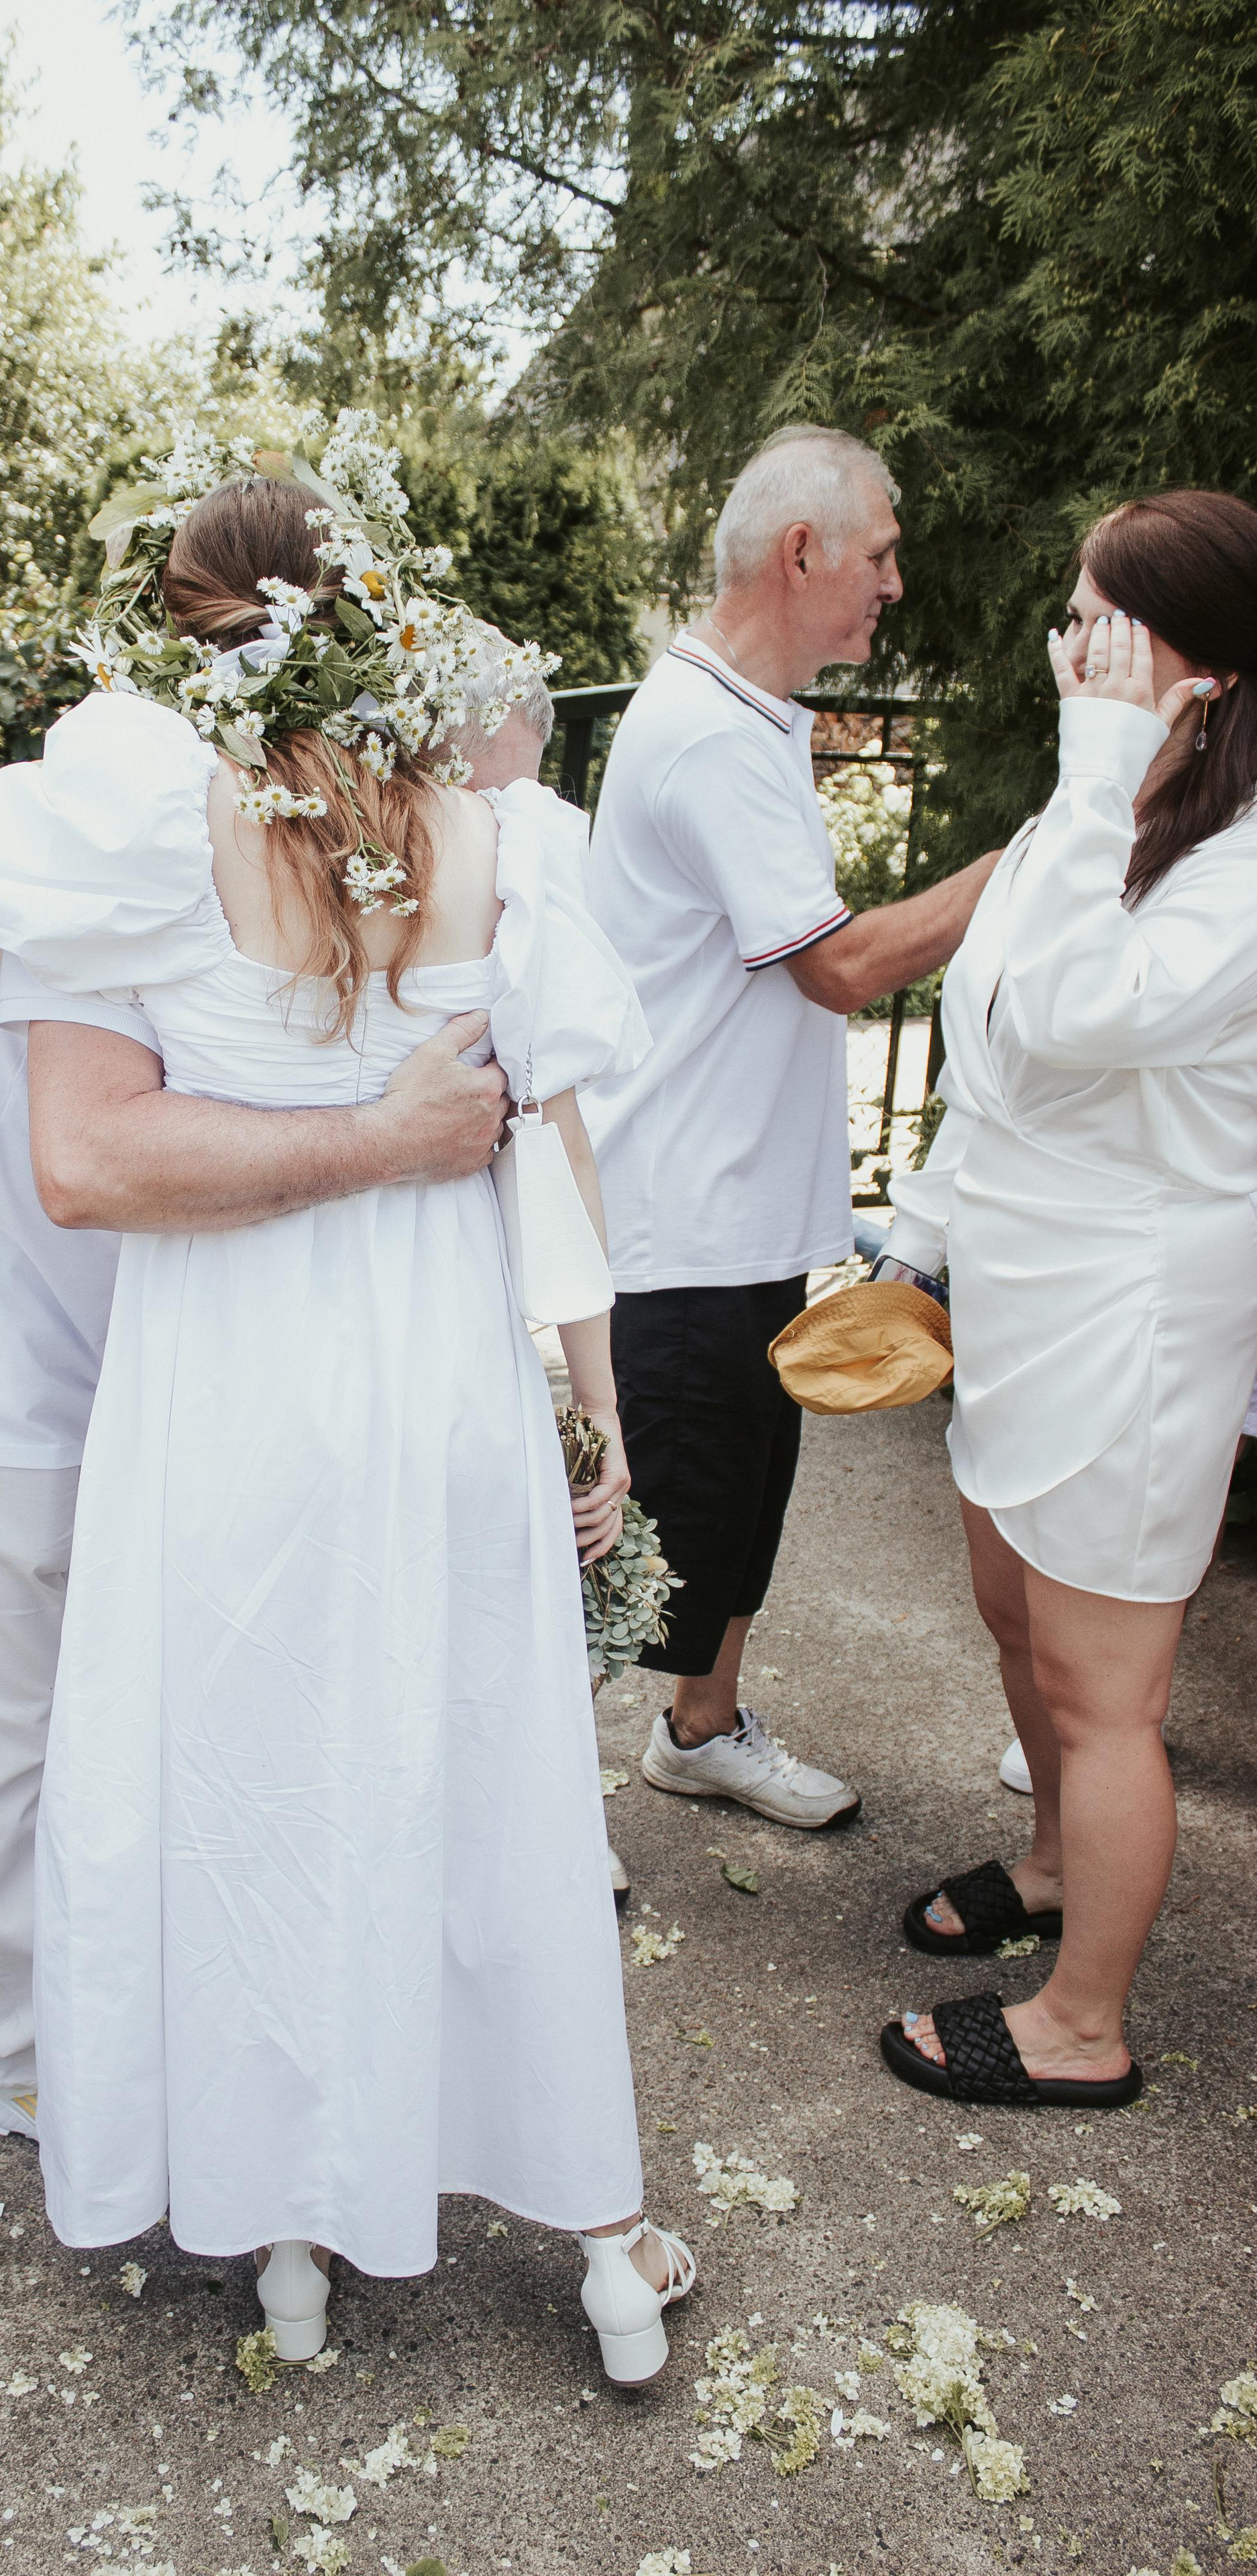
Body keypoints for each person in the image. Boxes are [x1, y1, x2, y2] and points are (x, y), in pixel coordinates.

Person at [0, 446, 698, 2385]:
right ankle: (595, 2239)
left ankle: (290, 2228)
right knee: (479, 1777)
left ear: (181, 617)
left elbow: (51, 1108)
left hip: (231, 1386)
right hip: (445, 1379)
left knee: (249, 1781)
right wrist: (596, 1415)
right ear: (387, 610)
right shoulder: (500, 836)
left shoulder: (135, 822)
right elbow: (556, 1147)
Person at [0, 801, 510, 2147]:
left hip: (147, 1360)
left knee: (138, 1722)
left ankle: (139, 2033)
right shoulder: (105, 802)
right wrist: (383, 1136)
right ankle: (26, 2071)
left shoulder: (368, 844)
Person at [877, 489, 1257, 2109]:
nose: (1072, 647)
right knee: (1018, 1618)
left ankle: (1080, 2025)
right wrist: (919, 1238)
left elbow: (1079, 1016)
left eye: (1109, 618)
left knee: (1107, 1689)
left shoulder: (1236, 868)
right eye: (1072, 612)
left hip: (1134, 1309)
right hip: (1023, 1283)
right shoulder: (1081, 814)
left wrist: (1096, 764)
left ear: (1209, 667)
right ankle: (1047, 1862)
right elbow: (993, 1051)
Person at [584, 425, 999, 1827]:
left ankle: (698, 1734)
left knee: (736, 1506)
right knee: (642, 1537)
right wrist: (1018, 867)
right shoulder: (704, 733)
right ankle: (510, 1822)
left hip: (738, 1207)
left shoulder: (751, 713)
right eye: (878, 551)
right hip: (681, 1214)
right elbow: (834, 964)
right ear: (801, 551)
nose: (894, 582)